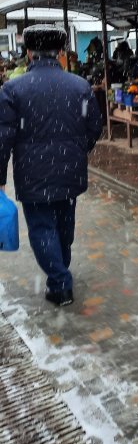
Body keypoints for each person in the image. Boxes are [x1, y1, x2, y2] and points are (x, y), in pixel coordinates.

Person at [0, 24, 103, 306]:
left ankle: (59, 283)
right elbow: (95, 126)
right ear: (60, 52)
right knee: (64, 225)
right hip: (70, 171)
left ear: (29, 53)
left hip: (33, 173)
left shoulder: (12, 89)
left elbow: (3, 136)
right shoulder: (79, 85)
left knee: (43, 227)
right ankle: (60, 268)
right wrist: (78, 149)